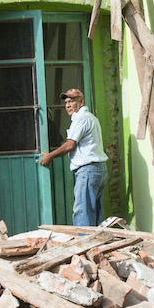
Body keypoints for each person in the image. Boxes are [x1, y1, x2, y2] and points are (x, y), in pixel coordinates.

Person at [40, 88, 109, 227]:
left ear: (81, 102)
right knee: (94, 213)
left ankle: (84, 240)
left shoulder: (81, 118)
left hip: (88, 170)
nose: (68, 105)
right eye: (66, 102)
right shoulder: (90, 117)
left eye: (71, 101)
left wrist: (50, 156)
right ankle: (96, 240)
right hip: (97, 169)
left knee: (82, 212)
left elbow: (70, 145)